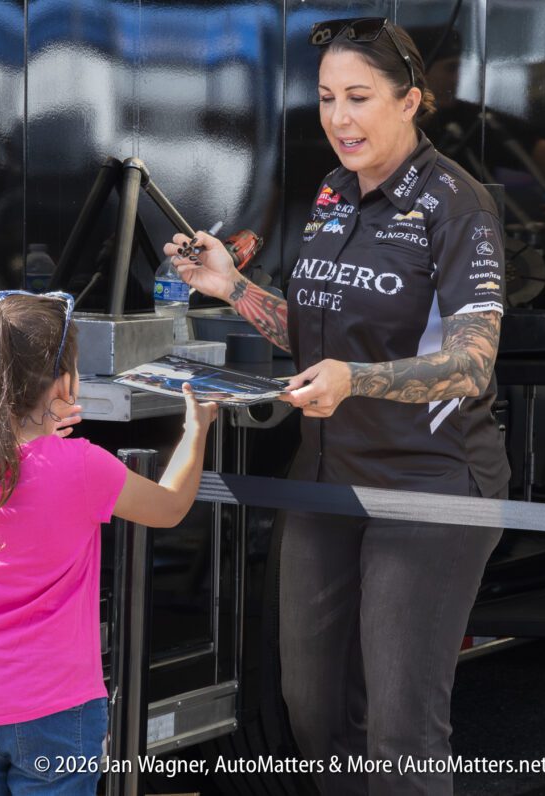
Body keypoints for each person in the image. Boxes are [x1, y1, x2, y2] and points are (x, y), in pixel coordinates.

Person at [165, 18, 509, 795]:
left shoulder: (459, 204)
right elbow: (313, 330)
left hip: (430, 488)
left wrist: (357, 380)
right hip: (324, 479)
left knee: (400, 731)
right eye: (325, 98)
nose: (338, 118)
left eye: (359, 98)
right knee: (312, 712)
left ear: (411, 101)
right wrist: (232, 289)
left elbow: (472, 365)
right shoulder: (332, 191)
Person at [0, 290, 217, 794]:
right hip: (54, 709)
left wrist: (40, 433)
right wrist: (197, 429)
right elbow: (169, 506)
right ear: (63, 382)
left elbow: (13, 470)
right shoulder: (83, 466)